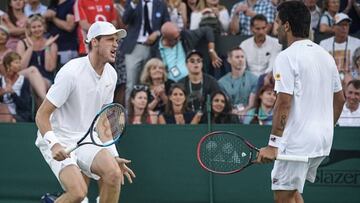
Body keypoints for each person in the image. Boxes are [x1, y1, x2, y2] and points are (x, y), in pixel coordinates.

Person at [35, 21, 135, 203]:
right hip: (58, 137)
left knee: (113, 174)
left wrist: (114, 156)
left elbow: (104, 120)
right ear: (94, 42)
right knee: (78, 193)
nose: (115, 44)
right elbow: (42, 115)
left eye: (116, 40)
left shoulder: (111, 75)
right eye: (110, 39)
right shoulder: (71, 72)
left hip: (85, 139)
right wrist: (54, 143)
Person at [256, 2, 345, 203]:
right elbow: (340, 100)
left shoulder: (286, 57)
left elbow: (283, 103)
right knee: (293, 193)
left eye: (278, 22)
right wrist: (324, 127)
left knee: (282, 198)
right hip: (322, 141)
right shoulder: (325, 56)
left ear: (286, 26)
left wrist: (272, 145)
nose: (276, 27)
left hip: (297, 142)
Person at [121, 0, 170, 104]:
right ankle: (129, 117)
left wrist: (157, 33)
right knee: (131, 83)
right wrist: (133, 4)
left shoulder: (160, 4)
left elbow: (167, 25)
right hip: (135, 47)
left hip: (154, 48)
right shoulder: (132, 2)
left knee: (152, 82)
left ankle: (150, 114)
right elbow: (125, 20)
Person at [154, 21, 222, 82]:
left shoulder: (185, 37)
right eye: (176, 38)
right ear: (166, 38)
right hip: (170, 85)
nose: (179, 38)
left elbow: (208, 30)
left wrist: (211, 50)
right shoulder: (157, 48)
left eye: (179, 35)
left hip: (191, 81)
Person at [319, 13, 360, 86]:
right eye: (341, 25)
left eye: (346, 25)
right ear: (333, 27)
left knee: (348, 79)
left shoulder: (357, 43)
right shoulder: (323, 44)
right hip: (330, 79)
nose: (344, 28)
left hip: (352, 81)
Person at [218, 47, 258, 120]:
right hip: (229, 114)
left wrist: (243, 112)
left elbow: (252, 104)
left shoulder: (254, 79)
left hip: (248, 114)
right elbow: (225, 104)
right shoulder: (222, 82)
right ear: (229, 60)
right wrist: (232, 112)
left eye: (242, 57)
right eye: (237, 57)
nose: (240, 59)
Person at [0, 51, 33, 122]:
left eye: (20, 62)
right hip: (3, 112)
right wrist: (3, 92)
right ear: (8, 65)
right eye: (16, 63)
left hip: (19, 115)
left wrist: (13, 93)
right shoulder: (1, 80)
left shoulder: (24, 81)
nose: (19, 65)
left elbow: (25, 105)